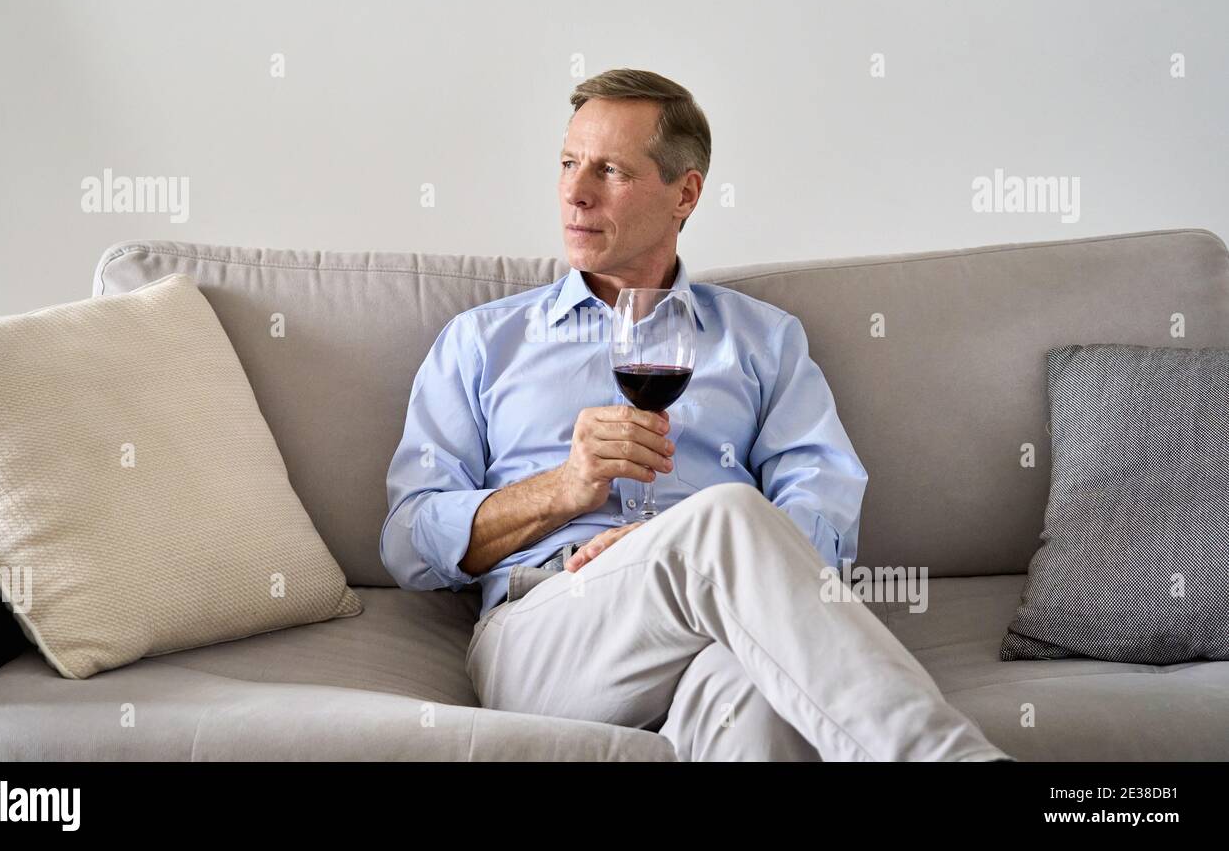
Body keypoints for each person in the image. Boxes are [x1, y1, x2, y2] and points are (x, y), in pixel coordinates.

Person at [381, 68, 1010, 761]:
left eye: (610, 170)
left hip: (725, 626)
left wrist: (690, 557)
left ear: (685, 193)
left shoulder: (764, 340)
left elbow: (823, 508)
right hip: (547, 627)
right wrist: (561, 490)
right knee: (730, 513)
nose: (575, 191)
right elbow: (409, 542)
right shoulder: (483, 342)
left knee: (754, 699)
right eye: (568, 163)